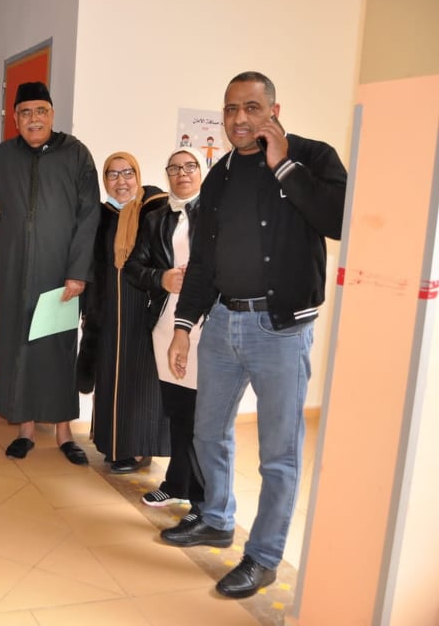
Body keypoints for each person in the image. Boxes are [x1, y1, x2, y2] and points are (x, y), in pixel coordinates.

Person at [161, 71, 347, 599]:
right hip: (222, 321)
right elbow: (203, 260)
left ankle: (263, 557)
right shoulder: (219, 175)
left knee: (278, 453)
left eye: (251, 107)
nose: (239, 119)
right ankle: (216, 518)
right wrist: (184, 327)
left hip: (281, 330)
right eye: (231, 109)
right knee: (207, 432)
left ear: (274, 110)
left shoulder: (312, 157)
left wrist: (283, 165)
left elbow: (340, 219)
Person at [0, 81, 100, 465]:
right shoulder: (2, 157)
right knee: (18, 347)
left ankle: (65, 433)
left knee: (58, 351)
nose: (33, 119)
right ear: (15, 119)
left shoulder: (76, 154)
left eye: (40, 111)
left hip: (59, 274)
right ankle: (26, 430)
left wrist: (78, 271)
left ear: (51, 114)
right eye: (25, 113)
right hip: (13, 271)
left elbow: (89, 215)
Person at [123, 147, 208, 511]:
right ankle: (177, 483)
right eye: (174, 168)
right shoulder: (157, 217)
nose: (182, 173)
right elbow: (134, 267)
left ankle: (203, 502)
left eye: (189, 166)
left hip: (206, 325)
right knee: (177, 409)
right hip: (165, 323)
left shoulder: (217, 214)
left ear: (201, 172)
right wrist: (162, 278)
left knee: (202, 415)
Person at [78, 152, 168, 474]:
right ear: (105, 181)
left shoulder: (154, 211)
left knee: (140, 381)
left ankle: (140, 447)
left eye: (127, 173)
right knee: (111, 376)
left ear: (137, 175)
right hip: (107, 310)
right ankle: (113, 445)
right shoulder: (100, 216)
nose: (121, 181)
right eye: (113, 175)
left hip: (142, 307)